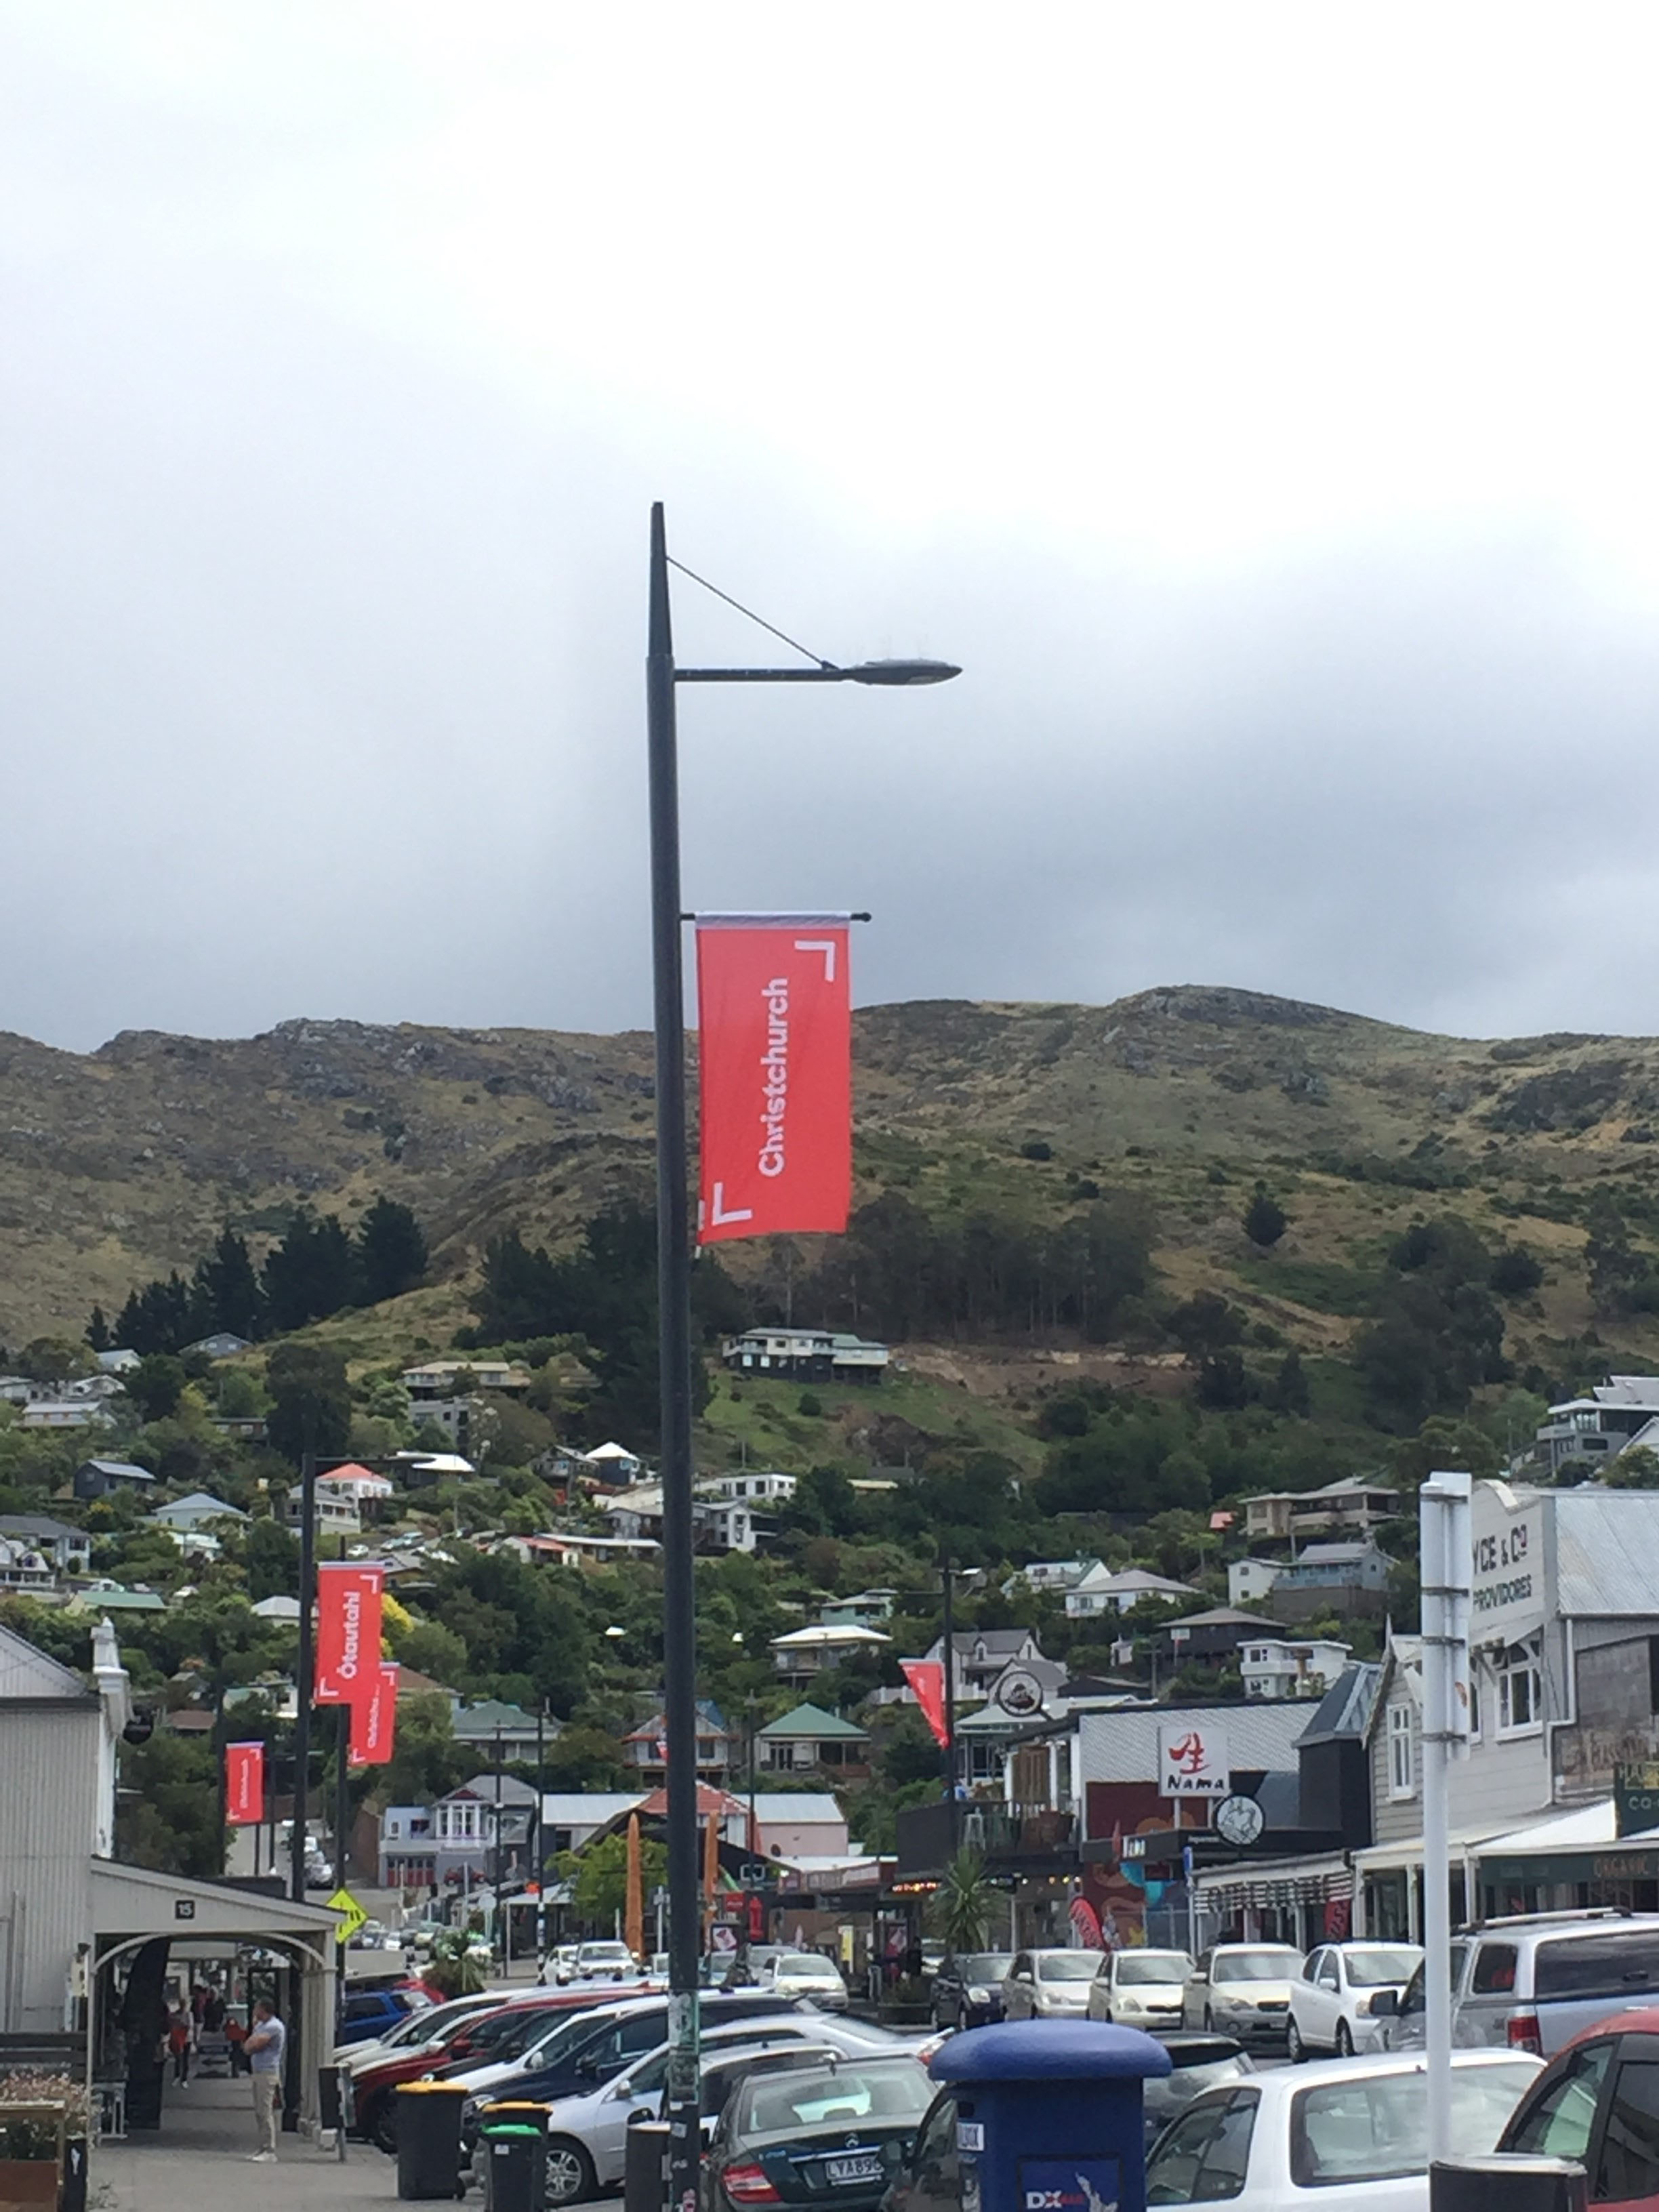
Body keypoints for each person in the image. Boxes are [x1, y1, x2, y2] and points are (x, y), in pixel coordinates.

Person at [243, 1999, 285, 2161]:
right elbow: (248, 2043)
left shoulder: (274, 2027)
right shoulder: (261, 2026)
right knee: (259, 2111)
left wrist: (250, 2044)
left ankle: (270, 2149)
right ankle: (262, 2147)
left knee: (265, 2111)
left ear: (264, 2010)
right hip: (258, 2071)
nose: (254, 2011)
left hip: (267, 2073)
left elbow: (253, 2045)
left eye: (257, 2008)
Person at [167, 2003, 192, 2084]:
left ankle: (184, 2078)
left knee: (185, 2059)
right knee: (178, 2058)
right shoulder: (176, 2014)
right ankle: (177, 2075)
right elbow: (171, 2021)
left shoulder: (189, 2014)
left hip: (187, 2039)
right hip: (178, 2039)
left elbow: (189, 2025)